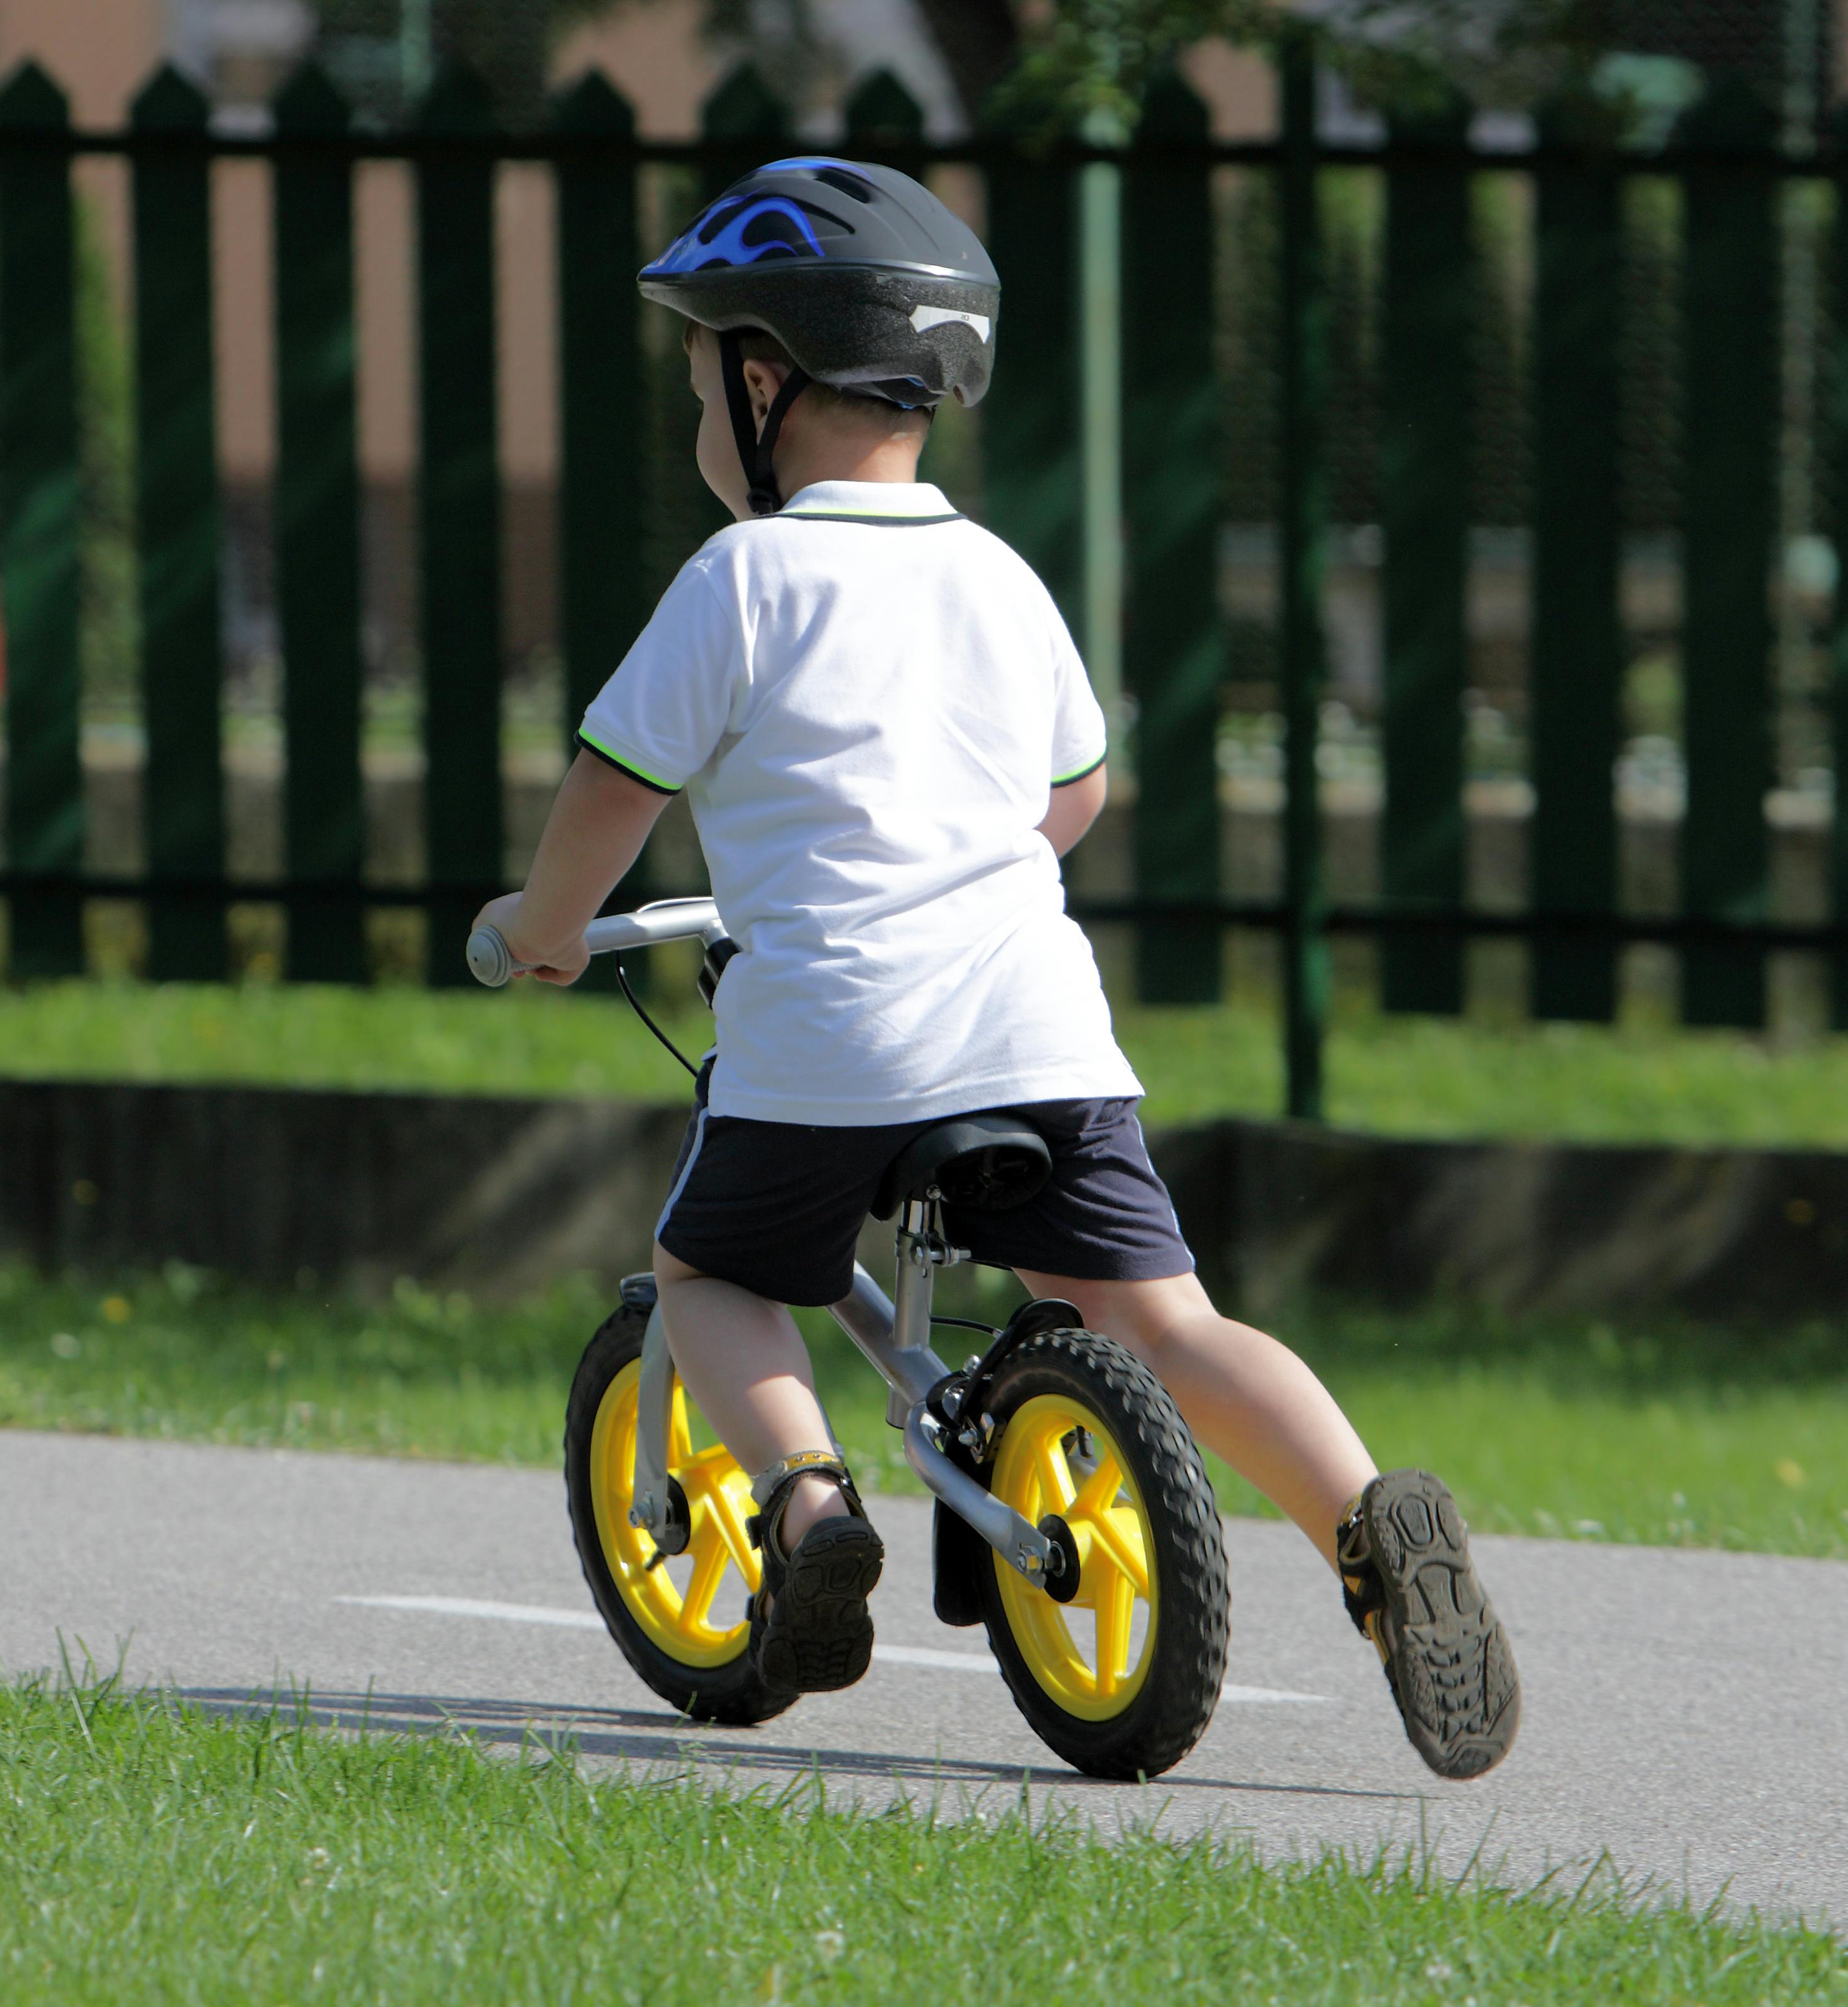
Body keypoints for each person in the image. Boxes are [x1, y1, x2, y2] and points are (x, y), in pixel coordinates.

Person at [472, 157, 1519, 1778]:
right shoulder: (998, 575)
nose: (699, 421)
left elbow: (615, 791)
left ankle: (813, 1512)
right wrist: (973, 864)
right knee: (1166, 1318)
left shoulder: (741, 580)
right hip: (1042, 1025)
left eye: (700, 384)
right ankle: (1376, 1534)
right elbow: (1078, 792)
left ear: (763, 383)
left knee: (721, 1280)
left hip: (831, 1043)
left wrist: (543, 933)